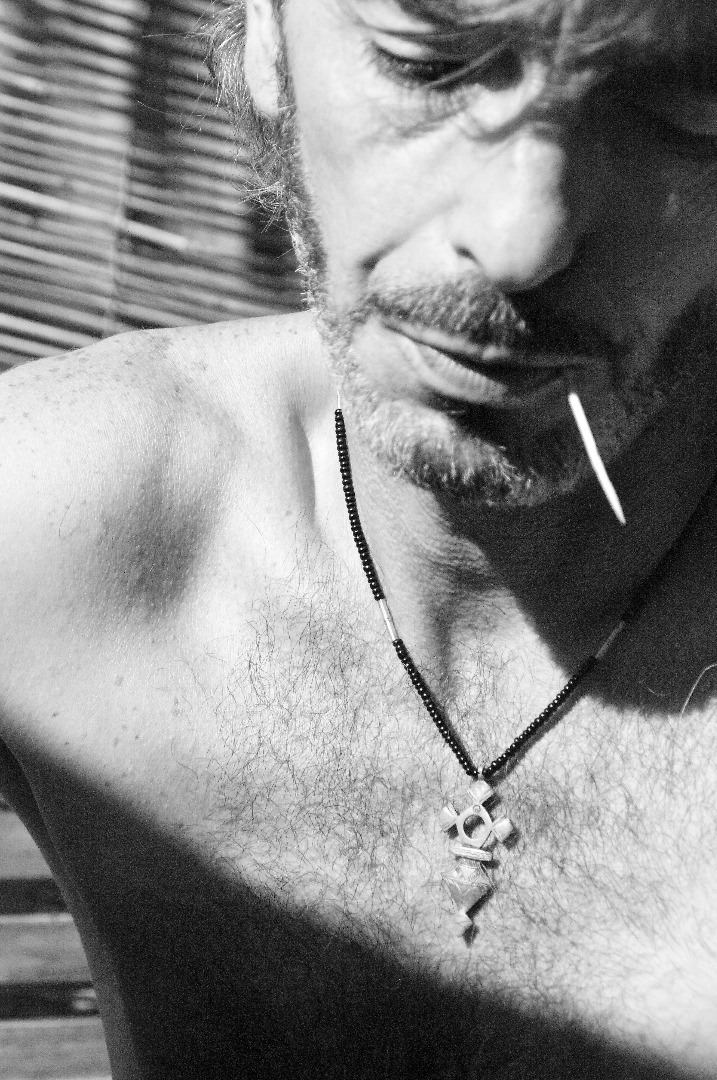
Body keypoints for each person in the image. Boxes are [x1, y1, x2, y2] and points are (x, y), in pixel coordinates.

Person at [2, 0, 717, 1075]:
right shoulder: (60, 517)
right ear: (268, 34)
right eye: (428, 64)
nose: (520, 240)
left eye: (683, 105)